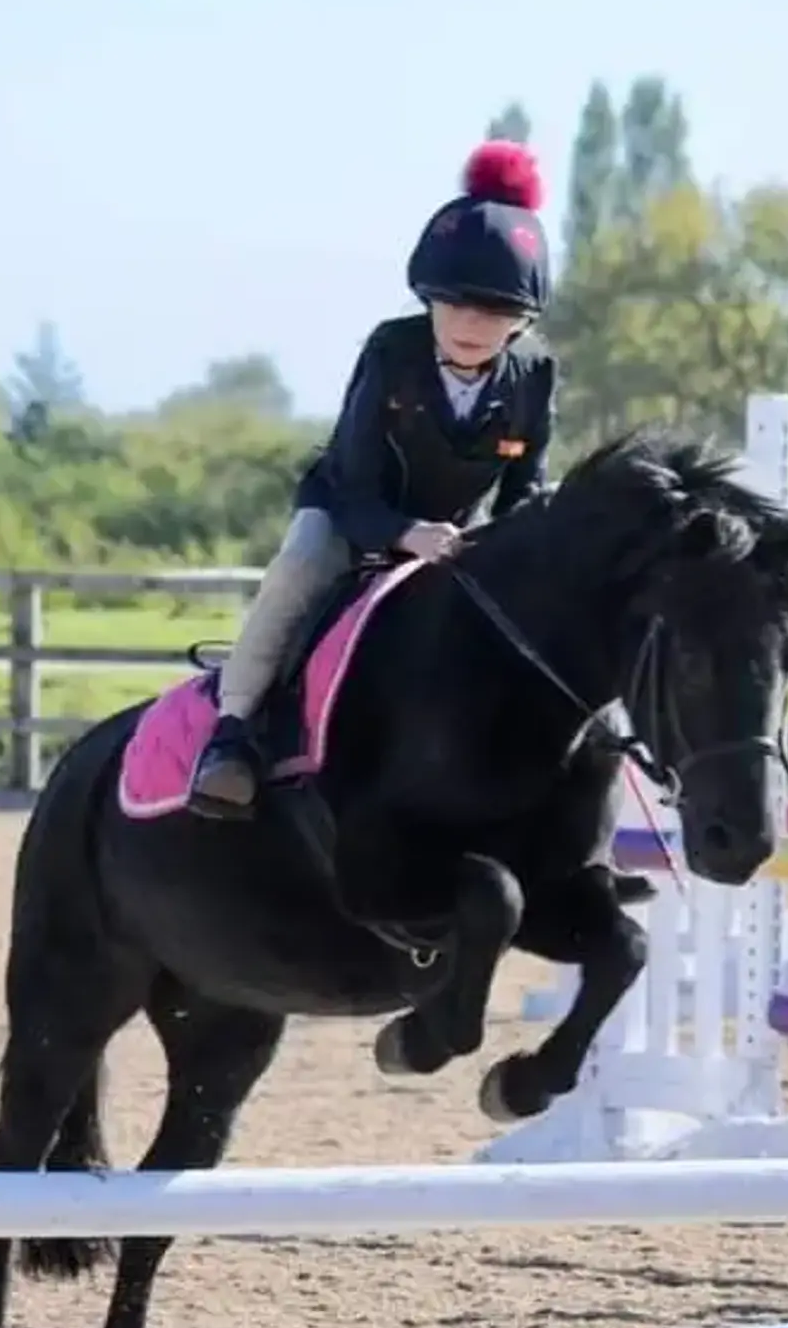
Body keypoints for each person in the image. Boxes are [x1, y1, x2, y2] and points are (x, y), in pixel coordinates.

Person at [186, 138, 558, 818]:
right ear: (428, 299)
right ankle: (232, 732)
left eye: (497, 312)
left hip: (457, 535)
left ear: (523, 320)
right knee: (299, 566)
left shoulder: (534, 373)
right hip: (351, 516)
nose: (473, 324)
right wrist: (405, 533)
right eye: (456, 304)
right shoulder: (392, 350)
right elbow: (354, 481)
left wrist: (516, 546)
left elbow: (525, 487)